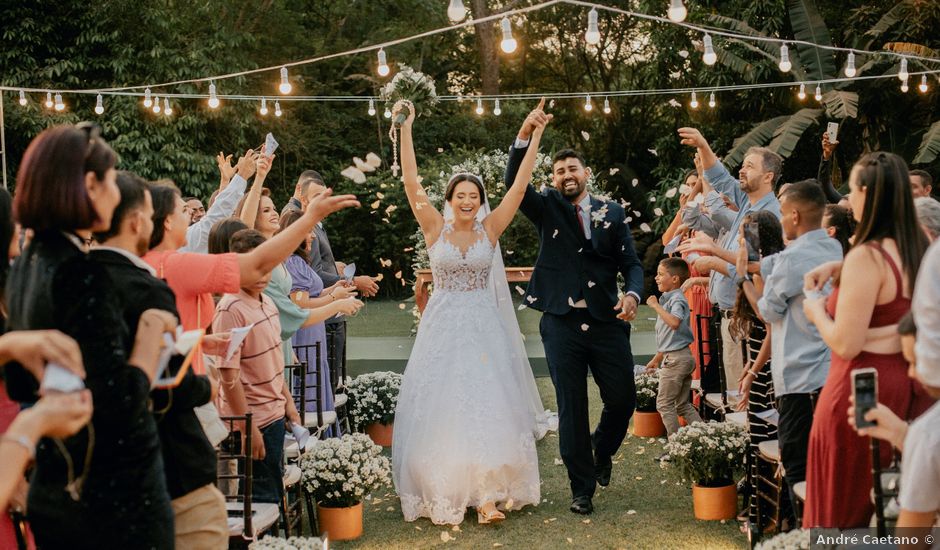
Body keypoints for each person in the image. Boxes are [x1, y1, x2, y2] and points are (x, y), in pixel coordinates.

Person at [5, 123, 181, 549]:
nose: (117, 194)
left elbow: (19, 381)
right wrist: (148, 340)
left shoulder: (27, 265)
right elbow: (119, 403)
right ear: (89, 184)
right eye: (111, 181)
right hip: (114, 497)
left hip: (58, 482)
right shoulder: (80, 272)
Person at [394, 101, 550, 526]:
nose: (468, 201)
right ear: (449, 200)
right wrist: (405, 129)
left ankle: (487, 496)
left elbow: (518, 187)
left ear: (481, 202)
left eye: (474, 196)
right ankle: (445, 487)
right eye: (460, 195)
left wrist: (535, 138)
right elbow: (410, 182)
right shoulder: (433, 228)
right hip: (443, 327)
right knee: (444, 405)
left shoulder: (491, 229)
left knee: (486, 402)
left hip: (483, 328)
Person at [506, 100, 644, 516]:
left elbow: (632, 265)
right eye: (560, 170)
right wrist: (524, 136)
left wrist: (633, 294)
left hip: (606, 321)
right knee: (571, 406)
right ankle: (580, 487)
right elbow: (514, 181)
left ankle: (601, 452)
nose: (567, 175)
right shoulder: (545, 206)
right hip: (562, 323)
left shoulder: (612, 212)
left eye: (573, 169)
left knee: (622, 401)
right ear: (553, 178)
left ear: (585, 174)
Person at [91, 171, 229, 547]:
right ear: (140, 221)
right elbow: (160, 383)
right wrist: (204, 385)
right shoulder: (153, 278)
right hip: (165, 456)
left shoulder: (75, 276)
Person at [802, 152, 932, 529]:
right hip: (907, 389)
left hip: (860, 390)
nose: (844, 201)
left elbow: (845, 343)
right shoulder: (920, 247)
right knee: (894, 510)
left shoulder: (867, 256)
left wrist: (816, 312)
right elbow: (911, 317)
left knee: (843, 517)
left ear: (863, 192)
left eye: (851, 191)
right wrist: (841, 268)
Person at [143, 180, 359, 368]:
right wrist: (310, 218)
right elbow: (255, 264)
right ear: (167, 222)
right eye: (184, 211)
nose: (192, 217)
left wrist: (202, 343)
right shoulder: (179, 264)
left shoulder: (161, 262)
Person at [742, 181, 844, 512]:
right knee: (831, 465)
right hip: (833, 374)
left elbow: (767, 311)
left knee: (798, 468)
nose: (781, 219)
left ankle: (806, 536)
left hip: (799, 380)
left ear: (795, 216)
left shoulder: (791, 261)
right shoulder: (835, 250)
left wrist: (747, 281)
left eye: (783, 213)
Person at [677, 127, 782, 387]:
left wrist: (713, 260)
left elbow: (756, 270)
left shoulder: (767, 216)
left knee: (743, 399)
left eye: (749, 166)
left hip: (749, 319)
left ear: (768, 176)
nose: (742, 170)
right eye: (742, 165)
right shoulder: (749, 202)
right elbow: (720, 177)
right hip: (730, 315)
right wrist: (702, 144)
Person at [847, 310, 940, 549]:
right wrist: (900, 434)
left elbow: (912, 541)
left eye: (914, 362)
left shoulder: (928, 432)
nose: (910, 373)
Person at [729, 210, 785, 529]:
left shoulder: (761, 271)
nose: (737, 241)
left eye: (742, 236)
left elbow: (768, 323)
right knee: (755, 439)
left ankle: (760, 517)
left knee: (760, 439)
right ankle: (757, 513)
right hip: (761, 362)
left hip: (768, 369)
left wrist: (752, 372)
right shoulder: (763, 266)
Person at [280, 209, 361, 431]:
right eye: (308, 231)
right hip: (304, 334)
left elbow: (313, 295)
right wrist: (335, 298)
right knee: (308, 391)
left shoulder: (301, 262)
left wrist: (333, 288)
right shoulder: (293, 263)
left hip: (315, 333)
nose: (313, 236)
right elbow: (300, 305)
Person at [645, 257, 702, 436]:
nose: (656, 278)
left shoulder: (677, 300)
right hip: (681, 357)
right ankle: (705, 435)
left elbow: (675, 322)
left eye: (661, 274)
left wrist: (655, 306)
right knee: (682, 405)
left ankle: (676, 446)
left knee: (664, 403)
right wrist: (656, 360)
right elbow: (671, 338)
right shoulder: (670, 299)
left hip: (677, 361)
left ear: (675, 279)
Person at [179, 149, 262, 253]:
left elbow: (218, 221)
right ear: (167, 221)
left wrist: (225, 182)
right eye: (184, 210)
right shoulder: (186, 238)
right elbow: (215, 219)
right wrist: (243, 175)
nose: (192, 212)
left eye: (201, 209)